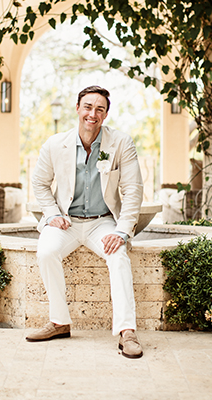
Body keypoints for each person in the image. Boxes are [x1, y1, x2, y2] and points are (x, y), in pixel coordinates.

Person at [27, 85, 145, 359]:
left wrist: (122, 231)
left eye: (100, 109)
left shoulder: (121, 143)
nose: (93, 113)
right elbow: (40, 183)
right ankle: (59, 322)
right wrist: (52, 213)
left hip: (102, 222)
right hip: (66, 222)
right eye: (88, 107)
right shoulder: (55, 144)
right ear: (78, 109)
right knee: (45, 251)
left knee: (119, 257)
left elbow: (133, 190)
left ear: (105, 115)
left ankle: (127, 332)